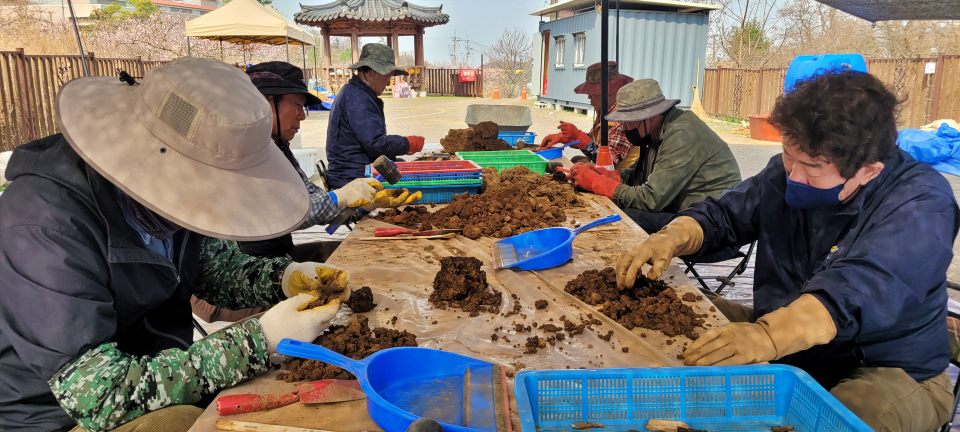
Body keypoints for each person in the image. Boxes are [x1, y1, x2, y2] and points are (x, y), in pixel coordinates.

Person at [0, 58, 351, 431]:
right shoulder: (45, 223)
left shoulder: (167, 199)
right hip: (51, 415)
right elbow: (100, 396)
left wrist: (284, 278)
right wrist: (259, 342)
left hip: (151, 361)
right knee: (180, 422)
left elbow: (214, 268)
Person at [617, 71, 957, 431]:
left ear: (868, 171)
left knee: (830, 422)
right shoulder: (787, 171)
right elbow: (724, 215)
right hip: (789, 342)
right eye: (788, 155)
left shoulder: (922, 202)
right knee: (652, 305)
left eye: (812, 167)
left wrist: (768, 336)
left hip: (883, 365)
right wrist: (672, 235)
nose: (793, 175)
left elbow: (859, 289)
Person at [240, 61, 420, 260]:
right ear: (266, 103)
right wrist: (341, 196)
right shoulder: (248, 153)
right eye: (297, 105)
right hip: (252, 268)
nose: (302, 116)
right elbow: (293, 211)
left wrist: (364, 204)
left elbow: (310, 195)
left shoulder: (278, 146)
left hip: (279, 255)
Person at [569, 78, 741, 234]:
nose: (624, 128)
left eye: (628, 122)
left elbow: (650, 200)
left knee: (624, 217)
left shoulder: (681, 134)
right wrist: (610, 175)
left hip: (712, 225)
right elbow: (638, 175)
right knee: (618, 212)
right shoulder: (654, 132)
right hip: (686, 211)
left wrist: (598, 183)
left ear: (650, 117)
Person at [326, 43, 425, 189]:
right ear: (371, 72)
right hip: (351, 177)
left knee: (402, 165)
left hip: (353, 169)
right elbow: (376, 144)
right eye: (387, 76)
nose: (388, 81)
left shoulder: (356, 93)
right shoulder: (358, 98)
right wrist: (407, 143)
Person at [538, 61, 637, 169]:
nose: (589, 97)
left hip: (621, 180)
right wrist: (566, 137)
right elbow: (593, 141)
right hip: (607, 175)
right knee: (577, 160)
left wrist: (578, 135)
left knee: (576, 166)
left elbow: (610, 161)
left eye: (592, 93)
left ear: (608, 93)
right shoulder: (605, 112)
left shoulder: (623, 117)